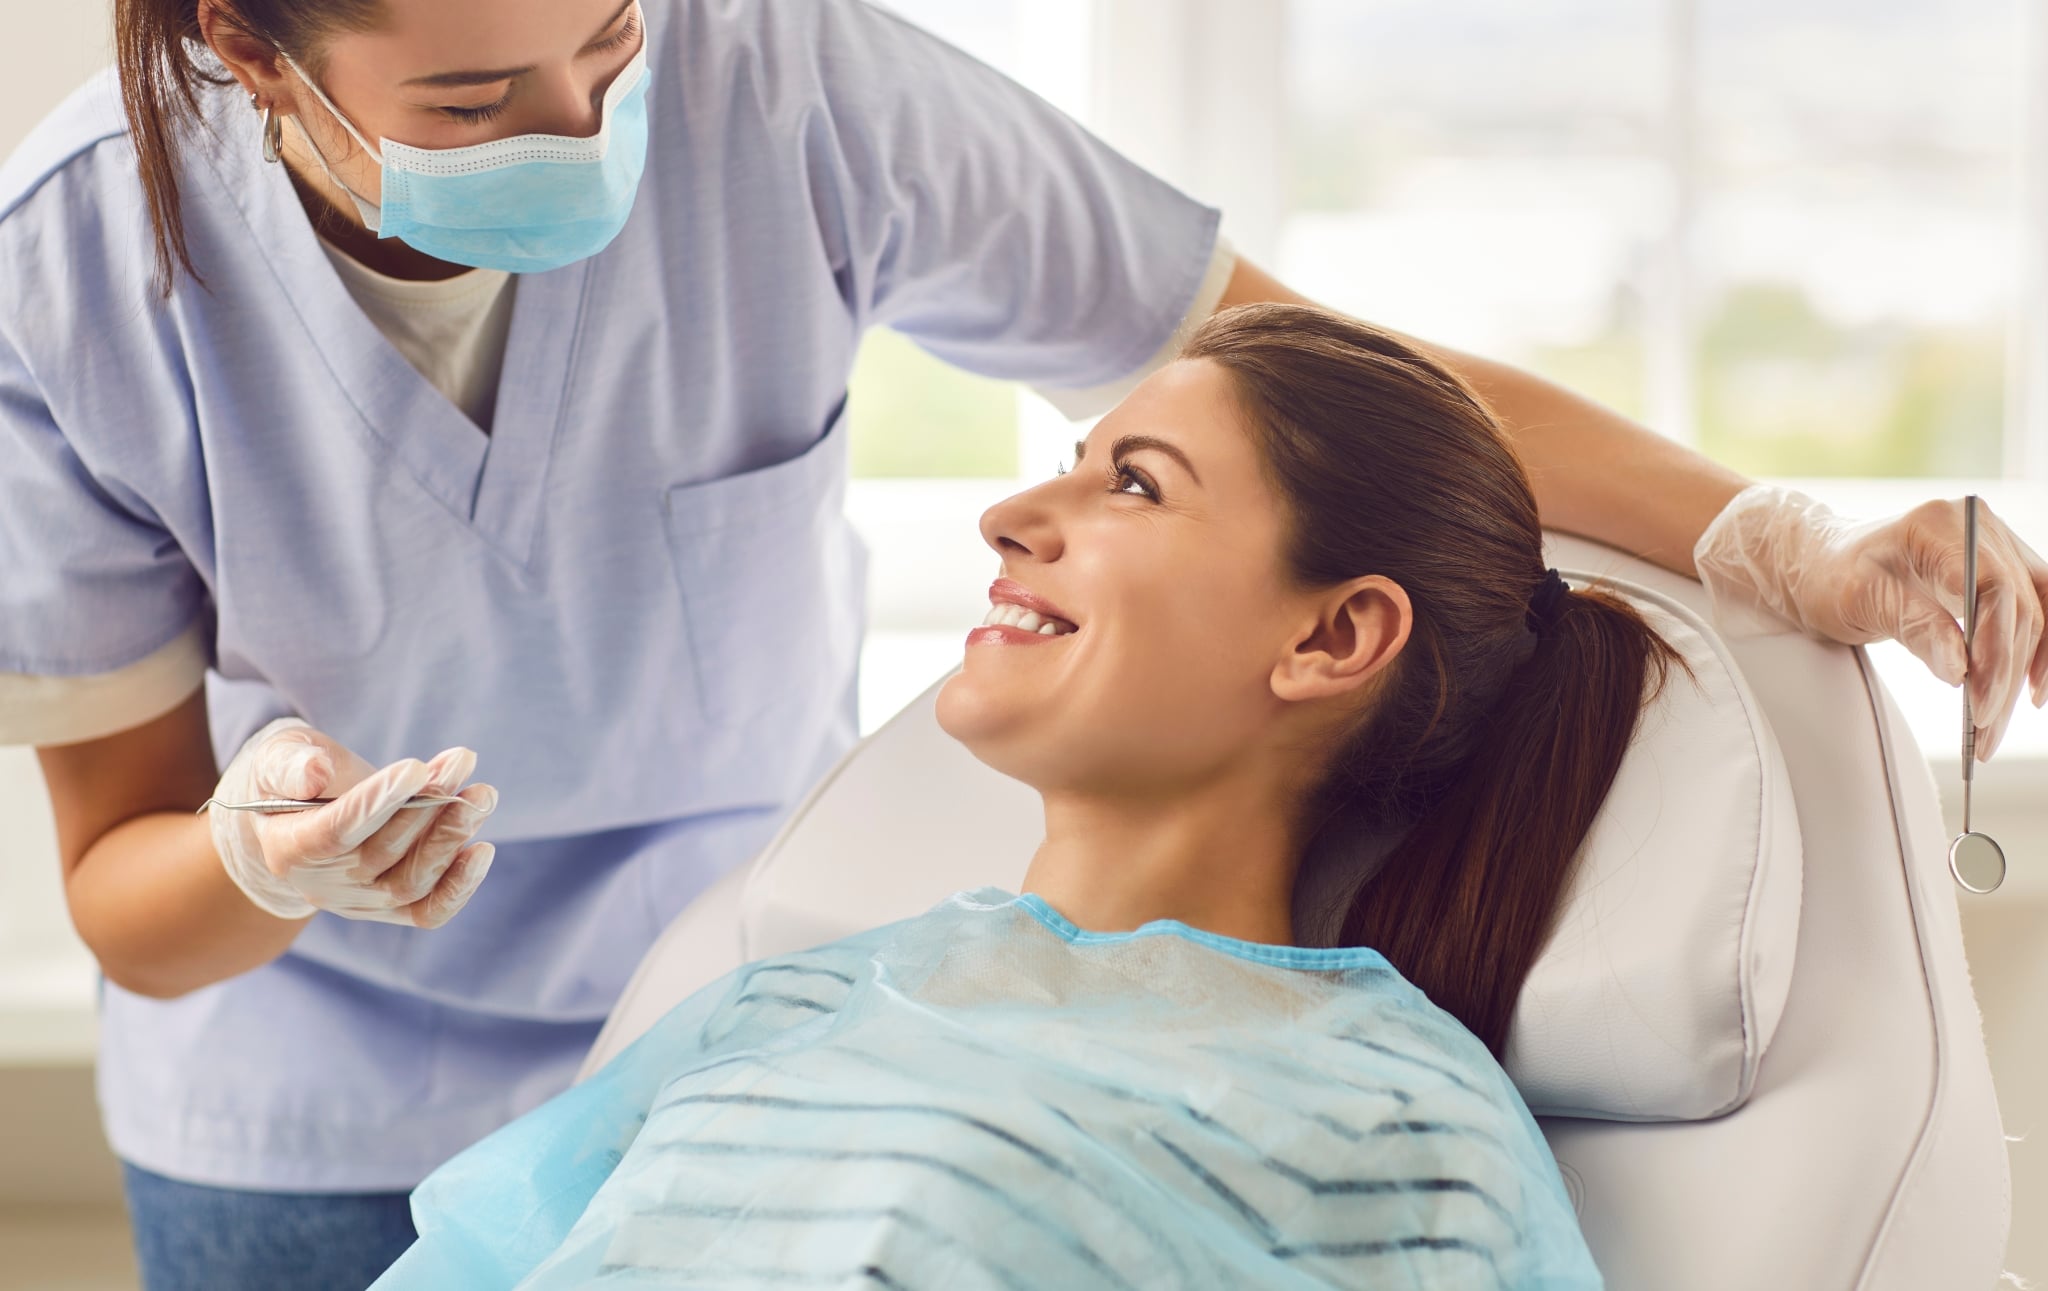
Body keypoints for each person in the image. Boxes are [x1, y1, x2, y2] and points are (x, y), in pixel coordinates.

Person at [0, 0, 2039, 1286]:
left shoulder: (1382, 1138)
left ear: (1335, 639)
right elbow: (130, 888)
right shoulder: (69, 277)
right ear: (249, 51)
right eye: (473, 94)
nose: (585, 117)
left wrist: (1770, 534)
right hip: (318, 1099)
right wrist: (265, 868)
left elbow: (1303, 375)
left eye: (612, 48)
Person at [370, 303, 1657, 1290]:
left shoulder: (1396, 1122)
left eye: (1134, 483)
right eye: (1070, 461)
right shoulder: (788, 1000)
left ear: (1330, 639)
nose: (1009, 515)